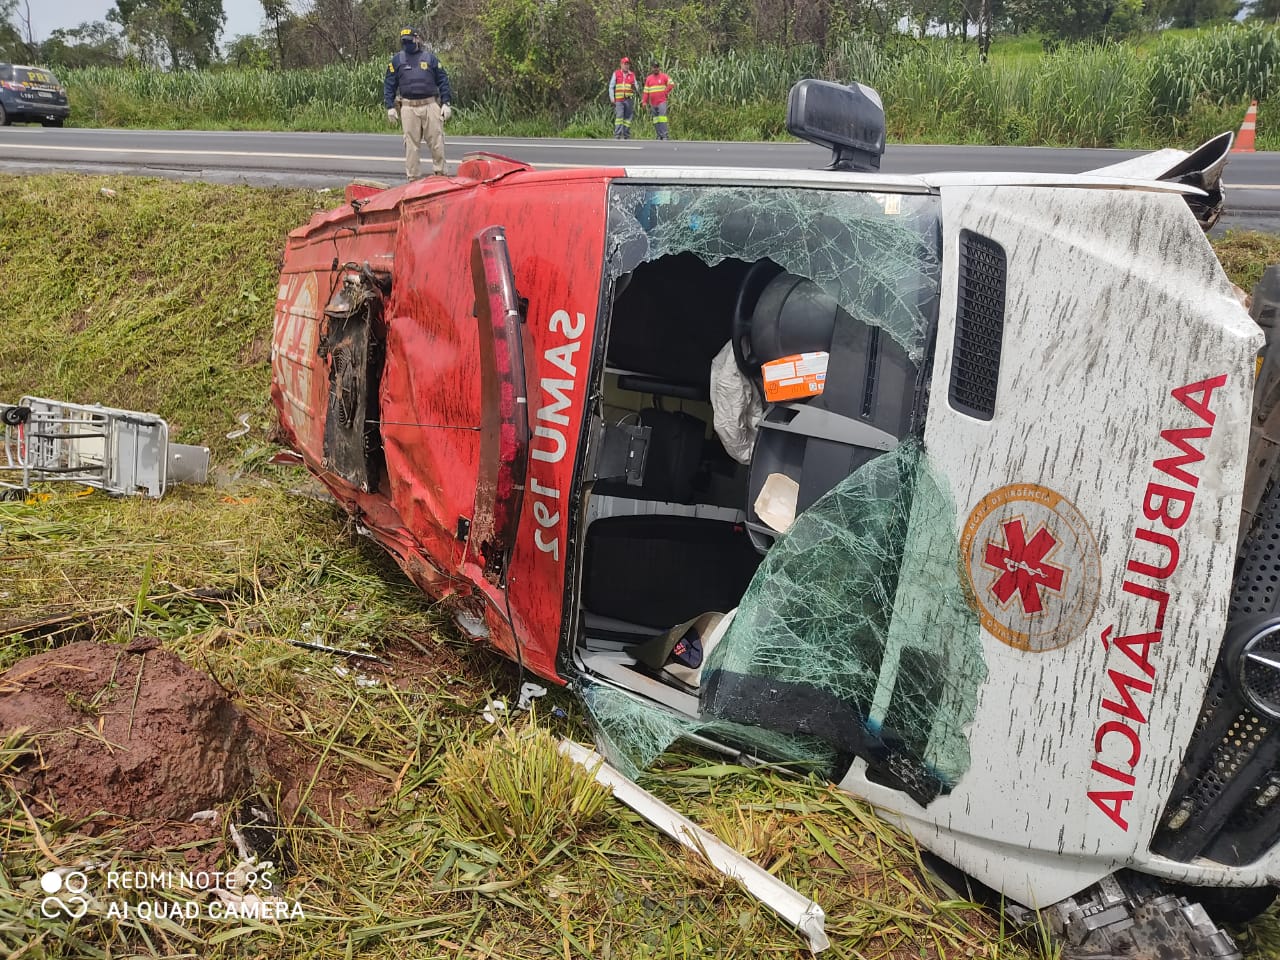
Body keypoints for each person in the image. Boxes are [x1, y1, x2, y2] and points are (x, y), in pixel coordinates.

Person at [384, 27, 453, 180]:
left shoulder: (430, 58)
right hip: (408, 107)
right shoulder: (397, 60)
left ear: (417, 38)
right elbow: (389, 84)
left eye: (409, 40)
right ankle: (413, 179)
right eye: (404, 42)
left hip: (430, 105)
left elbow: (443, 80)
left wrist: (446, 103)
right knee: (411, 146)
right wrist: (390, 106)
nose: (407, 44)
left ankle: (441, 175)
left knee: (437, 141)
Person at [642, 63, 674, 140]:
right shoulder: (649, 78)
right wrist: (644, 101)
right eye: (654, 67)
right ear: (652, 68)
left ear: (659, 68)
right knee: (655, 119)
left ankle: (665, 135)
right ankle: (659, 135)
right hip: (653, 103)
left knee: (662, 118)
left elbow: (672, 84)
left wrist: (666, 92)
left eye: (657, 67)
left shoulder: (664, 76)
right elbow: (646, 91)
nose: (655, 69)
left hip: (661, 101)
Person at [608, 57, 637, 139]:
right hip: (619, 100)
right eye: (625, 64)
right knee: (619, 117)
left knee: (628, 119)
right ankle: (617, 134)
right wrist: (612, 98)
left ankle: (626, 134)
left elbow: (636, 86)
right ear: (621, 65)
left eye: (628, 64)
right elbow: (611, 86)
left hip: (629, 99)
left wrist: (635, 88)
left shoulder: (632, 75)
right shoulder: (616, 73)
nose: (626, 66)